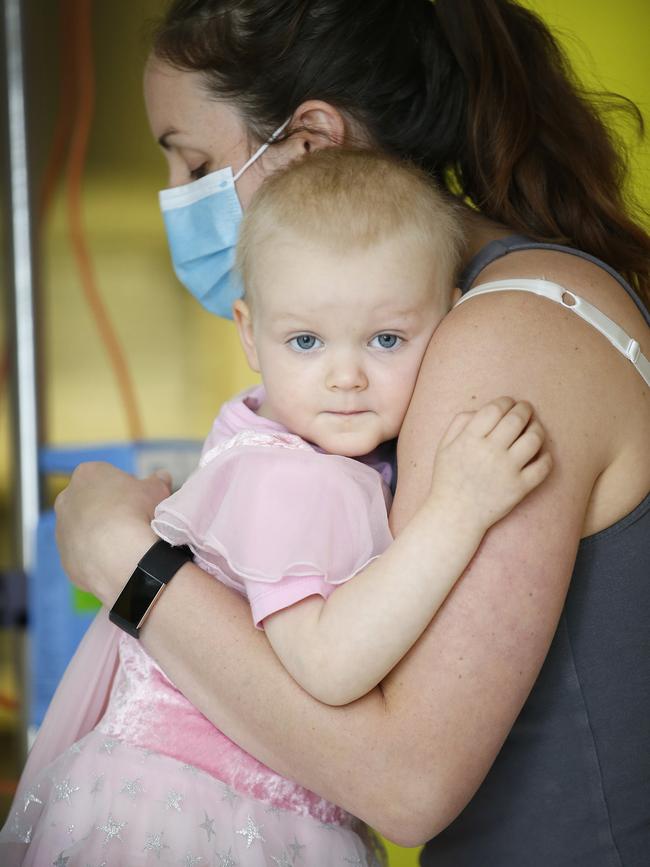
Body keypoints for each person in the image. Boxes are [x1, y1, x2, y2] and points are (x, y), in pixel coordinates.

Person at [45, 1, 650, 864]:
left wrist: (123, 561)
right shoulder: (460, 325)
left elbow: (407, 780)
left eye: (195, 162)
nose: (177, 203)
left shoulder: (507, 336)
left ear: (312, 142)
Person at [0, 149, 552, 865]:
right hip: (194, 817)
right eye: (305, 341)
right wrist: (460, 507)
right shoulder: (292, 478)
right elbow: (324, 661)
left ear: (448, 321)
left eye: (387, 339)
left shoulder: (281, 440)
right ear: (248, 332)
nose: (347, 375)